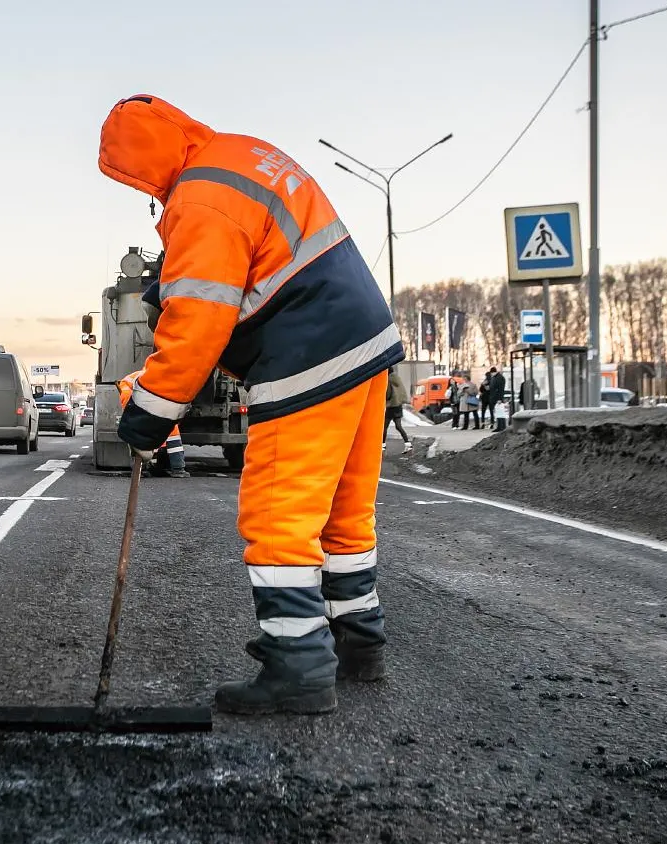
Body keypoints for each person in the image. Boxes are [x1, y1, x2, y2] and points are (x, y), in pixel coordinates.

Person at [99, 94, 402, 715]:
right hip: (364, 345)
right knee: (345, 514)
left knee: (277, 516)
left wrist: (148, 415)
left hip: (307, 355)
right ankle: (358, 642)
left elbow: (197, 324)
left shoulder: (199, 197)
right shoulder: (242, 156)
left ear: (141, 161)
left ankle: (298, 667)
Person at [117, 368, 189, 478]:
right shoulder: (129, 390)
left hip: (155, 401)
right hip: (151, 401)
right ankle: (147, 468)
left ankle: (153, 467)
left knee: (165, 434)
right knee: (149, 434)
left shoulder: (157, 380)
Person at [385, 367, 411, 449]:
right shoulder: (397, 379)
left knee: (384, 426)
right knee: (398, 426)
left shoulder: (388, 380)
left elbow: (388, 393)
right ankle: (408, 443)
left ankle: (382, 445)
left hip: (391, 405)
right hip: (398, 406)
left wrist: (385, 399)